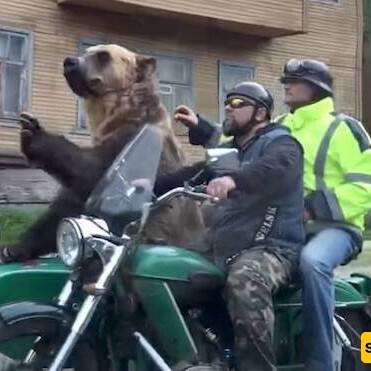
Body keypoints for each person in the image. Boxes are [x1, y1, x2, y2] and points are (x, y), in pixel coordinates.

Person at [175, 59, 371, 371]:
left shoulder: (343, 127)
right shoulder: (284, 125)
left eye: (295, 81)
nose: (287, 86)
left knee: (312, 263)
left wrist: (313, 208)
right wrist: (202, 127)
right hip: (285, 223)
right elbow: (239, 147)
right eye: (285, 81)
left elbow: (365, 185)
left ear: (317, 87)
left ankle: (320, 361)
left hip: (335, 226)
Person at [156, 81, 305, 370]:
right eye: (227, 102)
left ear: (260, 113)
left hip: (272, 248)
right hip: (225, 245)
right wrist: (148, 187)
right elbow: (197, 174)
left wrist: (234, 180)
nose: (228, 107)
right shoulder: (231, 150)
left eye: (238, 103)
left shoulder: (282, 143)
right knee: (162, 269)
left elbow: (272, 168)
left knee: (244, 280)